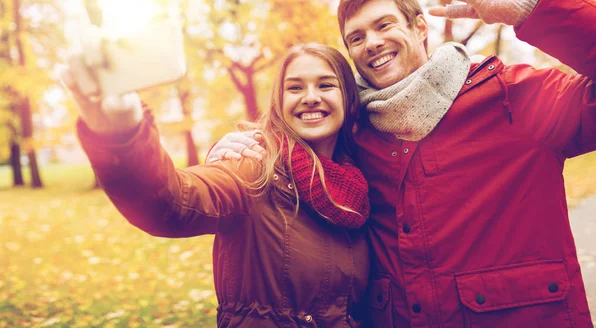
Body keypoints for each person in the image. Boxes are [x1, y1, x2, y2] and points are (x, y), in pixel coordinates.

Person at [209, 0, 596, 327]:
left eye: (384, 25)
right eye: (356, 38)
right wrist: (236, 148)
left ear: (419, 28)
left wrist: (538, 8)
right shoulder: (357, 132)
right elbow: (296, 169)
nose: (372, 43)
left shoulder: (509, 97)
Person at [59, 43, 373, 327]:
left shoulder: (359, 184)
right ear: (279, 102)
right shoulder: (253, 162)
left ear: (347, 97)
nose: (310, 97)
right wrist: (122, 135)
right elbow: (171, 203)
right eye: (295, 87)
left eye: (325, 84)